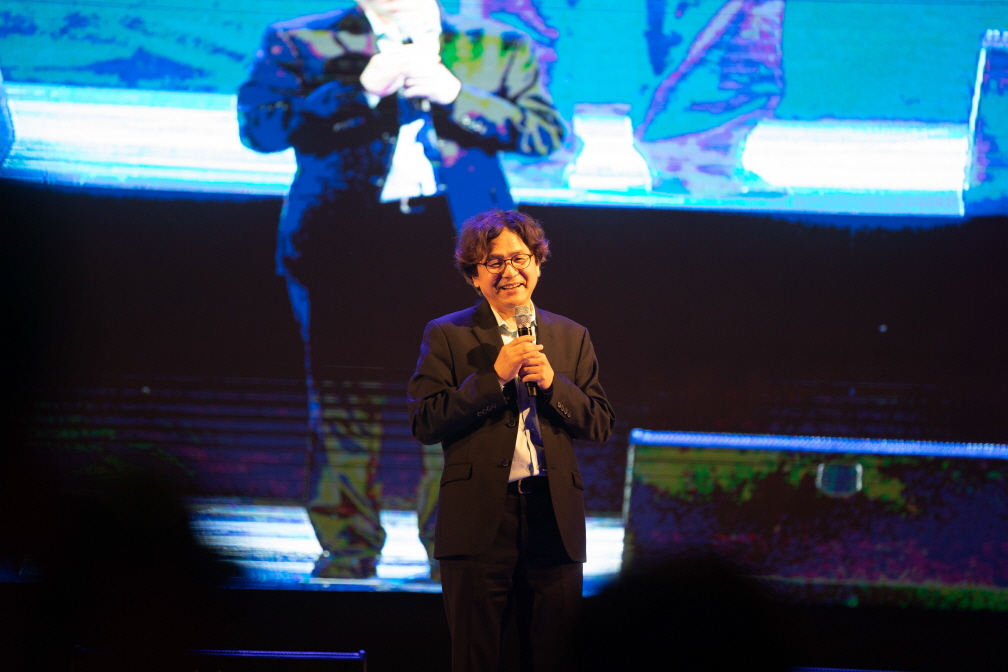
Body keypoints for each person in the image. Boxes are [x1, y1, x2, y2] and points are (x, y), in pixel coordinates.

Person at [236, 0, 564, 578]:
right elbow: (260, 129)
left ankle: (454, 547)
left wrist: (454, 94)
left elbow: (544, 134)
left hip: (463, 252)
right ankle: (348, 548)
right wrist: (359, 91)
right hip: (342, 246)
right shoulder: (302, 39)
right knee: (343, 400)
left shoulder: (496, 44)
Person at [407, 209, 615, 671]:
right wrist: (492, 379)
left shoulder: (571, 336)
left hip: (553, 516)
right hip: (481, 517)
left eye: (520, 259)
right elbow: (424, 421)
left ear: (537, 264)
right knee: (476, 657)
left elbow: (599, 423)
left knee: (554, 656)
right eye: (494, 262)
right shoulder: (447, 334)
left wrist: (554, 385)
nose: (510, 272)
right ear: (474, 276)